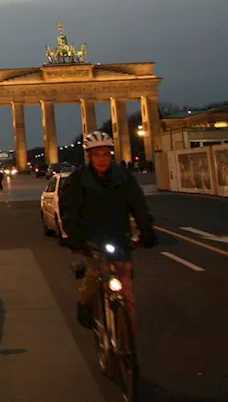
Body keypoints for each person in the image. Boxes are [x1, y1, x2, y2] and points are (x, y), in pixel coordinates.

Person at [59, 130, 157, 330]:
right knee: (95, 273)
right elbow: (69, 210)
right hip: (91, 236)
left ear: (111, 155)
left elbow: (139, 206)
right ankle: (84, 305)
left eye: (106, 154)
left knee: (125, 281)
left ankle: (126, 335)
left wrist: (147, 231)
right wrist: (73, 237)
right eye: (97, 155)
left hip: (119, 235)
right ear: (90, 157)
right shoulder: (77, 180)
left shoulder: (124, 177)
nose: (102, 159)